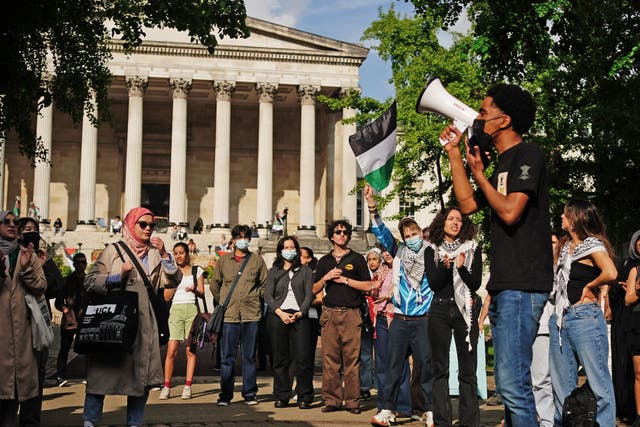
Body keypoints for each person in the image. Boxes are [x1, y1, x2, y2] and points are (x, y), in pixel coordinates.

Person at [442, 83, 553, 426]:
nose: (477, 117)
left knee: (512, 384)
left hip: (523, 282)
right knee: (510, 385)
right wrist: (454, 154)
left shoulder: (528, 155)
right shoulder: (502, 161)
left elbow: (508, 212)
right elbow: (468, 204)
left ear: (504, 120)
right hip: (505, 285)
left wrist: (479, 174)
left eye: (483, 111)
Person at [82, 207, 181, 427]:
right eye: (143, 224)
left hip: (144, 325)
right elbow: (90, 281)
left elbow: (172, 281)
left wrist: (166, 255)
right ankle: (90, 421)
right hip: (114, 322)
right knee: (102, 374)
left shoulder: (155, 253)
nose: (148, 229)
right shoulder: (113, 250)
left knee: (140, 378)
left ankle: (135, 423)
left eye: (152, 225)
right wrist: (117, 277)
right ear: (130, 224)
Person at [365, 184, 435, 427]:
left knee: (425, 366)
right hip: (401, 319)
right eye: (407, 235)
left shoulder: (431, 253)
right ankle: (388, 410)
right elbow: (382, 233)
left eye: (414, 232)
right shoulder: (399, 252)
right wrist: (372, 207)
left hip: (423, 319)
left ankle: (429, 410)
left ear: (419, 232)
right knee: (394, 366)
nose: (411, 237)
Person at [548, 199, 617, 426]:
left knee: (599, 384)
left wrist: (590, 286)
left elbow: (610, 272)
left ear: (576, 218)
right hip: (560, 320)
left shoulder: (592, 245)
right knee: (561, 388)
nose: (561, 217)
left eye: (566, 214)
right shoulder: (565, 247)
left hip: (584, 317)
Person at [424, 207, 482, 427]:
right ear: (443, 222)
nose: (455, 223)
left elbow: (475, 283)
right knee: (440, 369)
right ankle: (442, 421)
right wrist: (446, 268)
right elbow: (434, 284)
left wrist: (461, 269)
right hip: (440, 309)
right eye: (451, 219)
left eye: (459, 219)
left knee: (468, 370)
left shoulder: (472, 248)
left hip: (465, 310)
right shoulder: (432, 249)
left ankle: (469, 421)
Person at [313, 219, 373, 414]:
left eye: (345, 232)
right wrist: (326, 278)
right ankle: (332, 400)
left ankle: (352, 401)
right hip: (330, 313)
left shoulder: (357, 259)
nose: (342, 235)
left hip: (351, 313)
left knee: (352, 360)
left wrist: (346, 280)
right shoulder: (324, 261)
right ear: (331, 236)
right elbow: (313, 288)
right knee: (330, 360)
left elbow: (368, 286)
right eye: (338, 232)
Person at [210, 224, 267, 406]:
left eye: (246, 237)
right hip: (229, 315)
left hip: (251, 314)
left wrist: (254, 297)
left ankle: (249, 393)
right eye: (239, 237)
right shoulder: (224, 261)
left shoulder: (257, 261)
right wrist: (225, 300)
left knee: (249, 357)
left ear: (249, 239)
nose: (243, 240)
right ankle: (225, 395)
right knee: (227, 358)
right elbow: (214, 285)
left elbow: (264, 285)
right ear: (233, 240)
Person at [0, 210, 47, 426]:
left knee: (15, 391)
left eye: (14, 222)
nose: (12, 224)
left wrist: (27, 268)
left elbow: (41, 287)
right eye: (5, 221)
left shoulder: (27, 255)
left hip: (22, 335)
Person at [264, 236, 314, 409]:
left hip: (300, 316)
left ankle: (304, 396)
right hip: (279, 316)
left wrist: (302, 311)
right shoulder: (274, 271)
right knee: (280, 358)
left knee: (303, 358)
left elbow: (309, 294)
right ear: (280, 250)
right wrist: (280, 312)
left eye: (292, 247)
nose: (289, 250)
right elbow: (268, 295)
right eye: (286, 247)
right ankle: (282, 395)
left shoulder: (305, 271)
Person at [369, 247, 413, 418]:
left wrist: (390, 296)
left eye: (390, 250)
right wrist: (374, 289)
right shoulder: (381, 271)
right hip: (381, 318)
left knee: (399, 362)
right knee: (381, 363)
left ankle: (403, 406)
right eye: (384, 251)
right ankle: (383, 405)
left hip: (399, 318)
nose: (387, 254)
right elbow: (373, 293)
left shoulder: (404, 267)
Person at [158, 242, 205, 400]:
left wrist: (194, 290)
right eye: (176, 253)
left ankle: (187, 386)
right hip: (176, 310)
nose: (178, 256)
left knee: (190, 350)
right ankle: (166, 386)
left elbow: (202, 293)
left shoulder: (196, 271)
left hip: (191, 309)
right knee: (172, 351)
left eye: (181, 253)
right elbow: (166, 297)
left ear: (187, 254)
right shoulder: (171, 272)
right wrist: (174, 281)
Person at [54, 252, 88, 387]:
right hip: (69, 321)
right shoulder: (67, 281)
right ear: (74, 264)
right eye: (77, 262)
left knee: (86, 350)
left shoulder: (88, 280)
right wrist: (64, 309)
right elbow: (58, 301)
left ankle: (87, 376)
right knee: (64, 349)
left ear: (85, 264)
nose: (80, 265)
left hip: (84, 320)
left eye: (82, 262)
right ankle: (60, 376)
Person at [623, 230, 640, 426]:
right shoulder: (634, 269)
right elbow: (628, 300)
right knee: (638, 373)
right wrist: (637, 290)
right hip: (637, 322)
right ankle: (638, 415)